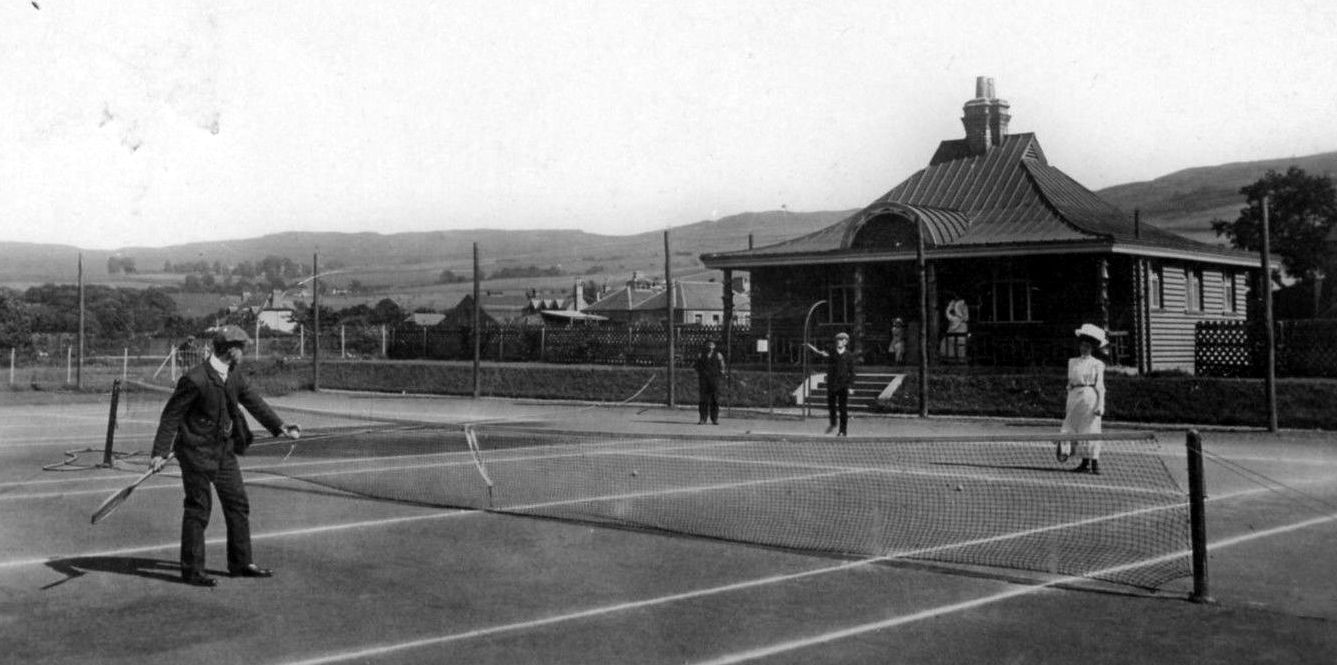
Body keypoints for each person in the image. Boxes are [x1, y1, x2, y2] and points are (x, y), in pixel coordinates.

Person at [149, 325, 301, 587]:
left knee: (237, 504)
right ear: (232, 350)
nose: (244, 352)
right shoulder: (195, 379)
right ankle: (193, 571)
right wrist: (160, 452)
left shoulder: (234, 375)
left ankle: (241, 564)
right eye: (242, 348)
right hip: (195, 452)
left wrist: (280, 427)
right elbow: (171, 415)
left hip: (224, 452)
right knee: (199, 509)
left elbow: (254, 402)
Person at [1059, 323, 1107, 474]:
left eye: (1087, 346)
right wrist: (1069, 394)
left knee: (1091, 429)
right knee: (1073, 428)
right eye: (1082, 345)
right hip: (1074, 398)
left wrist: (1101, 405)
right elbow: (1070, 383)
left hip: (1089, 397)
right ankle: (1082, 461)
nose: (1084, 348)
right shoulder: (1072, 362)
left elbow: (1100, 386)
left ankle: (1094, 463)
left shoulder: (1097, 364)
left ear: (1092, 348)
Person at [807, 331, 857, 436]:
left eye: (842, 340)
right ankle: (833, 423)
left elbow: (852, 372)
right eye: (838, 340)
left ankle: (843, 430)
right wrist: (813, 349)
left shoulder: (849, 356)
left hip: (843, 385)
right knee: (831, 406)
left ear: (846, 342)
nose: (839, 342)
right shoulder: (832, 353)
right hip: (832, 385)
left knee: (843, 409)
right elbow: (822, 355)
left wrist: (851, 386)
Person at [693, 339, 726, 425]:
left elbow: (722, 366)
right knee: (703, 399)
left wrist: (720, 374)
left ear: (714, 346)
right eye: (708, 344)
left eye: (712, 344)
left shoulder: (718, 355)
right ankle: (703, 418)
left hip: (714, 379)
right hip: (704, 380)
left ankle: (714, 418)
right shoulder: (701, 355)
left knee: (715, 399)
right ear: (705, 345)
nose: (710, 346)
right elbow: (696, 366)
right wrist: (701, 373)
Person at [940, 293, 969, 361]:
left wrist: (949, 308)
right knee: (948, 343)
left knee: (951, 343)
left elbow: (949, 315)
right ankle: (954, 359)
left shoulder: (957, 315)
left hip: (958, 332)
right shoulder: (959, 306)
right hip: (958, 331)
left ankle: (955, 359)